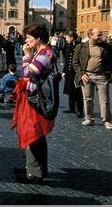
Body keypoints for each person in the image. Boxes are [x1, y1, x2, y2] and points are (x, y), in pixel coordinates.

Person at [11, 23, 55, 184]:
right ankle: (34, 167)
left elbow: (27, 72)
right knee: (36, 135)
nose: (26, 41)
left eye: (29, 37)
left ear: (38, 38)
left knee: (33, 135)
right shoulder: (42, 52)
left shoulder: (45, 54)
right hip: (34, 98)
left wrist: (26, 56)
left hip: (37, 100)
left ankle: (35, 173)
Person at [72, 28, 112, 130]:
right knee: (87, 99)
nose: (101, 37)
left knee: (104, 100)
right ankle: (89, 118)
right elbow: (75, 62)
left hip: (102, 76)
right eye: (98, 35)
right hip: (87, 76)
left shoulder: (106, 47)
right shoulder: (81, 46)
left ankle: (107, 121)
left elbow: (111, 61)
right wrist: (81, 74)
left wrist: (108, 72)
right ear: (90, 36)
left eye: (101, 35)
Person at [61, 30, 83, 118]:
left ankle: (79, 110)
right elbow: (67, 60)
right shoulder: (68, 46)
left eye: (67, 37)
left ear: (72, 38)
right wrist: (64, 71)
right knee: (70, 90)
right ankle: (71, 108)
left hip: (76, 72)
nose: (66, 39)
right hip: (69, 72)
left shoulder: (79, 46)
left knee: (78, 92)